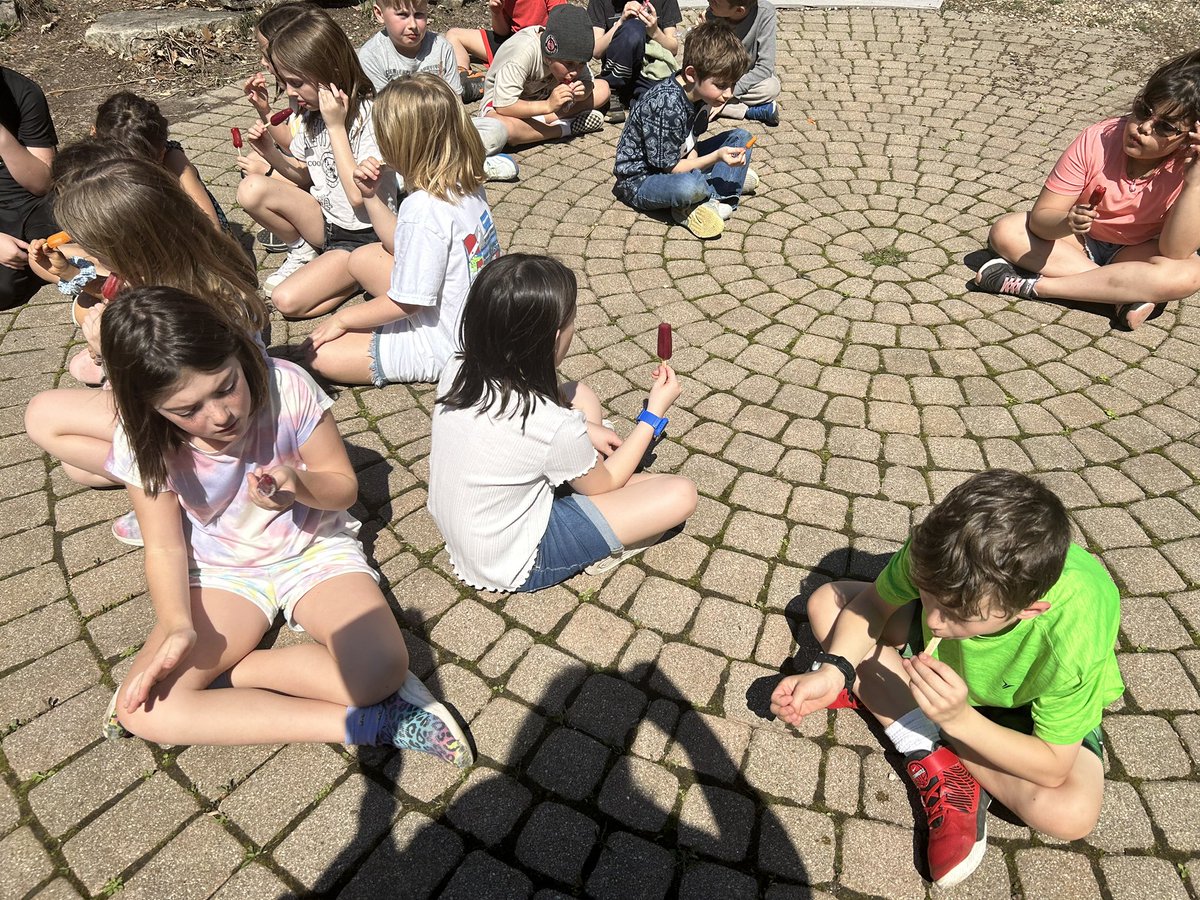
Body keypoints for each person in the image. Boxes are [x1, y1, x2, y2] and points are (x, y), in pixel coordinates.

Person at [94, 285, 471, 765]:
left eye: (226, 386)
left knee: (380, 671)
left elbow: (343, 488)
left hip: (313, 549)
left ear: (237, 352)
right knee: (144, 712)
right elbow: (165, 547)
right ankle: (374, 724)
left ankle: (235, 673)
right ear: (149, 407)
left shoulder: (286, 385)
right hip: (223, 570)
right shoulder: (139, 436)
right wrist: (176, 625)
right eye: (187, 411)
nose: (221, 414)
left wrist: (298, 486)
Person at [770, 470, 1123, 889]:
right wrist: (834, 671)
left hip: (1022, 707)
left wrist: (958, 721)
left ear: (1029, 610)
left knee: (1070, 813)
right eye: (927, 593)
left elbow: (1051, 765)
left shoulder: (1074, 636)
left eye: (958, 614)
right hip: (949, 677)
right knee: (827, 604)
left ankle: (926, 737)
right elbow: (873, 604)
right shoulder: (943, 548)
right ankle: (935, 755)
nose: (936, 621)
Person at [24, 157, 269, 551]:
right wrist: (71, 275)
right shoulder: (188, 267)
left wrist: (107, 353)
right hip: (235, 406)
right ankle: (181, 477)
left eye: (96, 250)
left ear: (125, 246)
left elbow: (168, 388)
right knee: (78, 468)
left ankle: (186, 497)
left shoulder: (173, 295)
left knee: (42, 415)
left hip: (215, 422)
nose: (91, 256)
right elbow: (115, 291)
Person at [427, 254, 697, 593]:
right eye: (572, 320)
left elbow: (545, 417)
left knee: (580, 394)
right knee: (679, 493)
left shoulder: (458, 366)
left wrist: (588, 430)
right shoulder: (550, 423)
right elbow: (606, 483)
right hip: (516, 558)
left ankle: (574, 471)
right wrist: (652, 414)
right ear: (555, 338)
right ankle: (605, 545)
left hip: (474, 528)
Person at [974, 49, 1200, 331]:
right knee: (1007, 230)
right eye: (1143, 110)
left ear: (1188, 138)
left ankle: (1036, 287)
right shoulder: (1098, 138)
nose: (1143, 127)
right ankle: (1122, 295)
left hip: (1138, 251)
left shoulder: (1190, 165)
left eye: (1164, 127)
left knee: (1190, 273)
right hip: (1078, 243)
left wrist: (1194, 182)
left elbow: (1175, 251)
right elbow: (1042, 219)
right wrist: (1066, 221)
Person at [304, 74, 501, 386]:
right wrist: (370, 196)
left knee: (319, 354)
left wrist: (343, 319)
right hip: (471, 321)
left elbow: (409, 303)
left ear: (401, 143)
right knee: (363, 258)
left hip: (444, 345)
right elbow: (402, 245)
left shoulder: (422, 209)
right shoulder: (464, 180)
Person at [236, 13, 399, 314]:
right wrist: (269, 152)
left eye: (296, 83)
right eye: (285, 82)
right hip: (328, 223)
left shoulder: (369, 117)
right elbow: (303, 176)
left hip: (365, 235)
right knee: (251, 188)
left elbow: (358, 195)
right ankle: (322, 260)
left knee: (286, 302)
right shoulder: (312, 115)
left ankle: (359, 273)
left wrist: (336, 127)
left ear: (329, 71)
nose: (290, 92)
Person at [612, 19, 757, 239]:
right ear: (691, 74)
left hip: (677, 159)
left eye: (732, 85)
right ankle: (717, 188)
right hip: (643, 181)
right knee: (690, 186)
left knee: (741, 137)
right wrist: (716, 158)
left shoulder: (700, 92)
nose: (728, 94)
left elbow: (692, 139)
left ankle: (714, 195)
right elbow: (670, 169)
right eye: (721, 85)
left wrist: (701, 161)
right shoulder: (666, 105)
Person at [357, 0, 518, 181]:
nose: (412, 25)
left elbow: (455, 105)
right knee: (371, 156)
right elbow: (384, 118)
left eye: (419, 15)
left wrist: (450, 134)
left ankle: (421, 174)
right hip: (401, 139)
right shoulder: (371, 55)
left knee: (497, 129)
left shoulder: (442, 47)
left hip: (442, 134)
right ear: (379, 14)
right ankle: (466, 167)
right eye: (402, 15)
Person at [242, 1, 328, 254]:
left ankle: (300, 241)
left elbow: (310, 171)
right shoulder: (298, 93)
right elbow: (292, 142)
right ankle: (297, 236)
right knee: (252, 163)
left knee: (255, 174)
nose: (263, 61)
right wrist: (264, 109)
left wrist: (269, 166)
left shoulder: (319, 102)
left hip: (325, 196)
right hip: (311, 177)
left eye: (266, 52)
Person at [93, 92, 230, 231]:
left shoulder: (174, 161)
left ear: (160, 155)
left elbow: (212, 226)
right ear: (93, 135)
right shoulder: (94, 163)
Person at [478, 3, 610, 148]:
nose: (575, 71)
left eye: (581, 64)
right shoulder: (521, 54)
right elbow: (504, 106)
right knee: (500, 127)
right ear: (549, 55)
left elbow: (588, 81)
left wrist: (583, 91)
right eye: (569, 64)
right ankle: (563, 129)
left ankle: (536, 125)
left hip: (544, 105)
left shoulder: (571, 57)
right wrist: (548, 105)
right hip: (505, 107)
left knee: (603, 89)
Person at [0, 66, 58, 311]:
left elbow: (43, 184)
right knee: (5, 286)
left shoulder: (22, 91)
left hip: (26, 204)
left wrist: (2, 137)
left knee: (74, 234)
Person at [445, 0, 566, 99]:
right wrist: (496, 13)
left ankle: (500, 84)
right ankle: (465, 79)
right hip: (511, 42)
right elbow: (502, 32)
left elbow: (561, 23)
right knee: (453, 35)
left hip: (539, 46)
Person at [588, 0, 682, 123]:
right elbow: (596, 51)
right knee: (633, 27)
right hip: (617, 73)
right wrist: (620, 22)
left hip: (649, 73)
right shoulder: (601, 2)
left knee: (663, 109)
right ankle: (613, 90)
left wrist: (655, 32)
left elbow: (673, 49)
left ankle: (637, 97)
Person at [704, 0, 780, 124]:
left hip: (747, 77)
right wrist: (701, 33)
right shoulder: (712, 14)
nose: (708, 1)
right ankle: (748, 111)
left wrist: (730, 92)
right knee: (697, 86)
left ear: (739, 10)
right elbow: (705, 63)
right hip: (720, 77)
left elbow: (765, 67)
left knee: (771, 87)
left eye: (715, 2)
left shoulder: (765, 12)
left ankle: (712, 104)